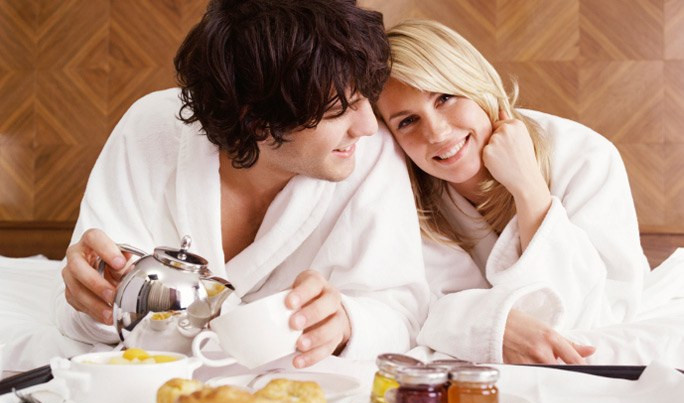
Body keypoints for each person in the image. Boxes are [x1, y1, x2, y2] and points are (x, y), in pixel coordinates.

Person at [56, 0, 429, 369]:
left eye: (365, 99)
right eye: (337, 112)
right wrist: (95, 298)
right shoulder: (149, 131)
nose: (367, 126)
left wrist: (346, 324)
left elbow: (402, 312)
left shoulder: (368, 152)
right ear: (255, 122)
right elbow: (91, 310)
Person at [375, 19, 684, 365]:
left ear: (477, 85)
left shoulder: (586, 157)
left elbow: (595, 315)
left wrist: (528, 187)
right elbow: (424, 309)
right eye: (407, 121)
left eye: (445, 98)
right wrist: (492, 323)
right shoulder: (406, 193)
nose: (437, 132)